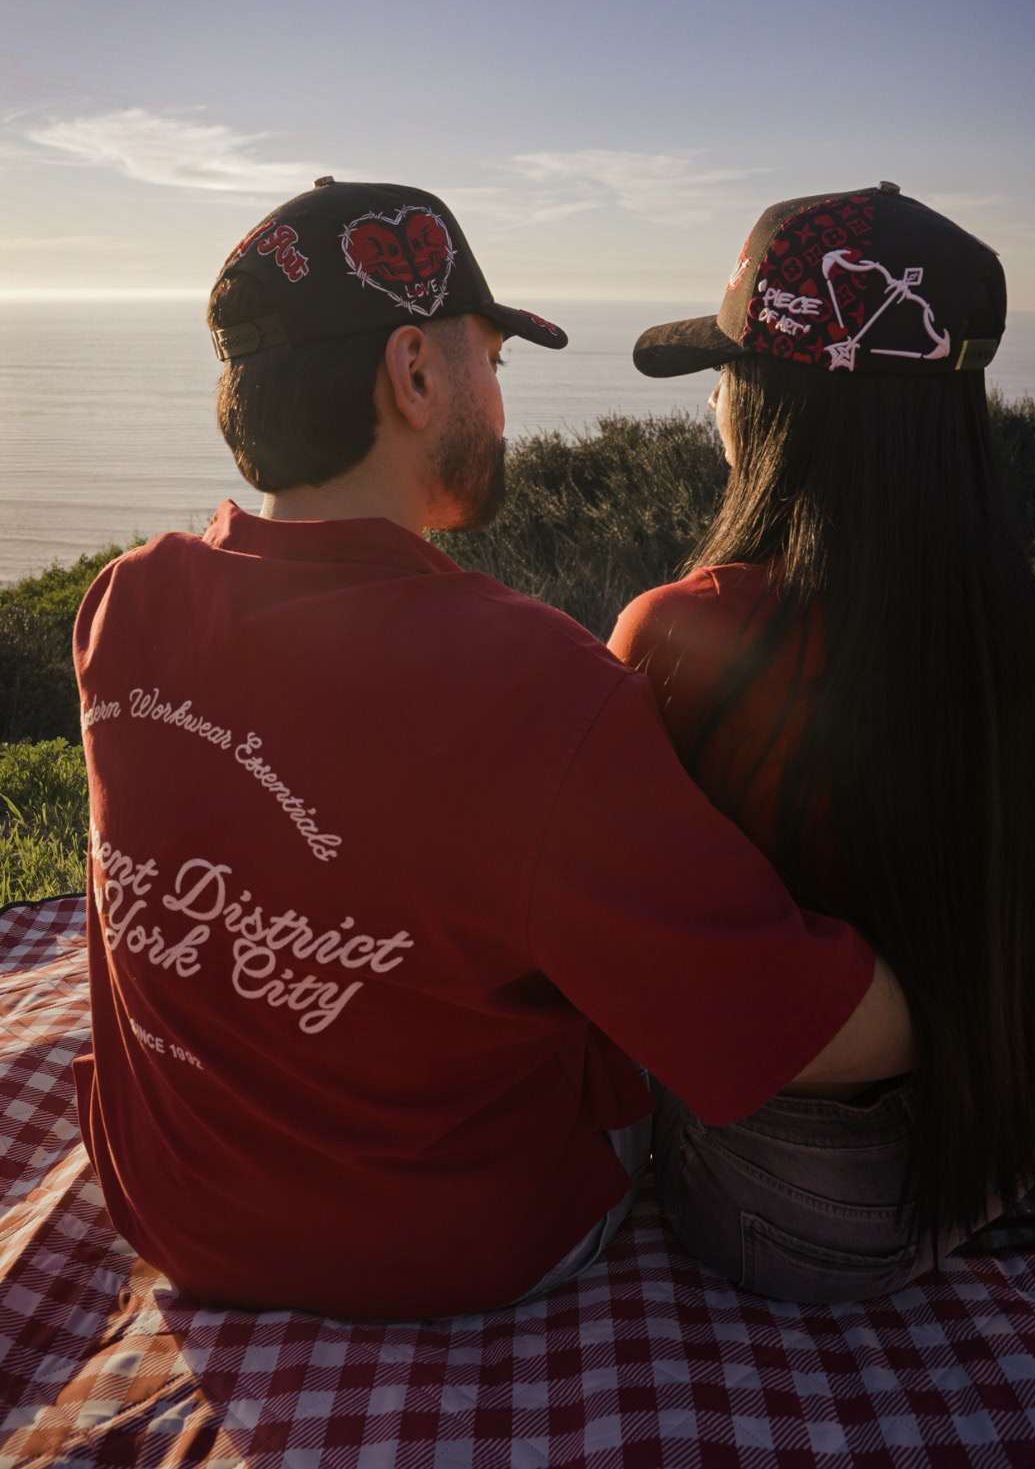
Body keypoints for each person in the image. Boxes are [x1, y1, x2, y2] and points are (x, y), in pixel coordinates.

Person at [71, 178, 913, 1323]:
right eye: (496, 361)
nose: (505, 407)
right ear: (415, 372)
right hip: (457, 1244)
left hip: (175, 1213)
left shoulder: (123, 604)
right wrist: (981, 1019)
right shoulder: (530, 680)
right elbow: (789, 1027)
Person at [610, 182, 1035, 1305]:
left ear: (777, 403)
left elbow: (619, 940)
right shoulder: (1011, 626)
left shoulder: (682, 631)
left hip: (797, 1213)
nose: (716, 395)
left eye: (730, 369)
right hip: (984, 1116)